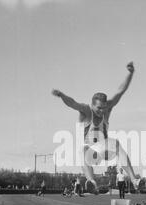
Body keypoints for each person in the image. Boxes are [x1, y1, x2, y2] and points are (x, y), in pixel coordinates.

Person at [52, 62, 140, 194]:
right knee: (82, 150)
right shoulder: (86, 110)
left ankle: (134, 180)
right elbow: (72, 103)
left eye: (104, 108)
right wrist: (62, 95)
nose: (102, 111)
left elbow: (120, 91)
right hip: (89, 150)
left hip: (103, 148)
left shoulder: (107, 108)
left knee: (116, 144)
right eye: (99, 108)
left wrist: (130, 73)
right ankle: (91, 182)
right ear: (92, 105)